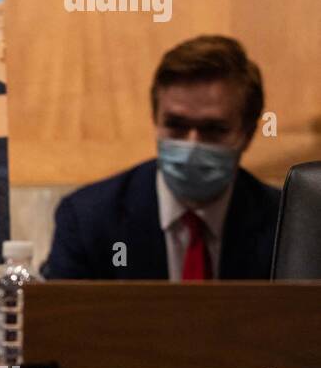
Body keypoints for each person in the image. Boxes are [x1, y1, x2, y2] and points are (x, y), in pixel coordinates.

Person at [42, 35, 279, 280]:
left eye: (213, 129)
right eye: (176, 125)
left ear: (247, 134)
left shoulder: (287, 224)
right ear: (156, 120)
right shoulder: (90, 220)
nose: (191, 144)